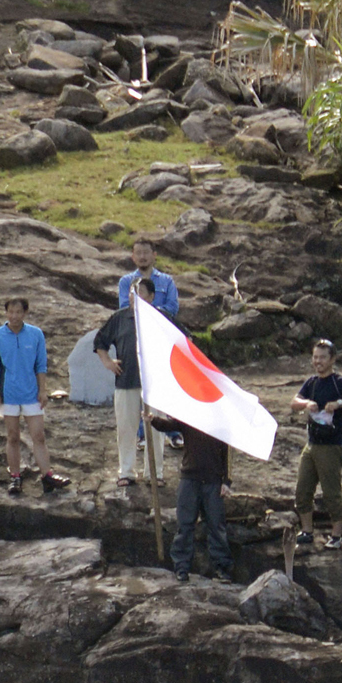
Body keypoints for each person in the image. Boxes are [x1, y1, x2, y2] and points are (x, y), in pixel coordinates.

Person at [290, 339, 342, 550]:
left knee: (331, 492)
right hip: (312, 444)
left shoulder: (339, 382)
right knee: (302, 490)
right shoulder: (312, 382)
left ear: (332, 359)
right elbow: (293, 402)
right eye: (315, 357)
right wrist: (307, 403)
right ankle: (306, 531)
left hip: (332, 446)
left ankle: (336, 536)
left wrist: (340, 403)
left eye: (323, 357)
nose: (318, 362)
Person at [0, 297, 70, 496]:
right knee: (13, 436)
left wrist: (43, 390)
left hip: (31, 393)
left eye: (18, 312)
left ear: (25, 313)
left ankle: (47, 475)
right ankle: (15, 476)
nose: (14, 316)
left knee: (38, 436)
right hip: (9, 394)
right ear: (6, 312)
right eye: (10, 312)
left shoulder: (35, 334)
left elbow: (41, 365)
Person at [94, 278, 165, 486]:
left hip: (155, 385)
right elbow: (100, 342)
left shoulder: (161, 318)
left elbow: (183, 341)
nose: (136, 296)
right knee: (126, 428)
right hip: (126, 380)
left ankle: (155, 473)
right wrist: (107, 361)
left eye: (141, 292)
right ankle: (126, 472)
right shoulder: (119, 318)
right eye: (133, 292)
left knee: (156, 430)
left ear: (151, 297)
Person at [150, 417, 234, 583]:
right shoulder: (189, 416)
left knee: (216, 526)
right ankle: (181, 568)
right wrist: (152, 419)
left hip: (213, 481)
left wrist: (226, 481)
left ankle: (222, 568)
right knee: (184, 525)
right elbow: (168, 425)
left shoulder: (223, 422)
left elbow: (228, 454)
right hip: (190, 478)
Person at [118, 239, 183, 449]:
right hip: (136, 340)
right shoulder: (126, 282)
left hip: (162, 340)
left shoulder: (166, 281)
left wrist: (147, 309)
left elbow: (172, 308)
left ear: (154, 255)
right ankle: (142, 433)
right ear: (132, 256)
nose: (143, 257)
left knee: (167, 384)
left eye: (146, 252)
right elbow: (123, 307)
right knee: (140, 385)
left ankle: (173, 432)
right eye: (139, 253)